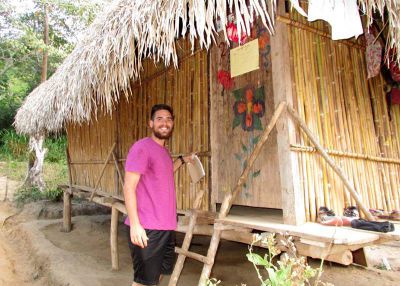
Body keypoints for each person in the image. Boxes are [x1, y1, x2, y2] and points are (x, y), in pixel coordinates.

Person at [123, 104, 192, 286]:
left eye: (169, 119)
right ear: (151, 123)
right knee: (143, 282)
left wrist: (182, 160)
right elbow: (129, 187)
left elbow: (166, 171)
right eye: (160, 119)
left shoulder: (163, 151)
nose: (165, 123)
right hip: (147, 228)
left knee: (158, 275)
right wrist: (135, 226)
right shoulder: (142, 148)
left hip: (166, 226)